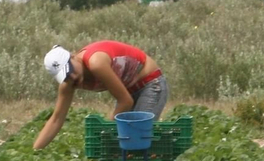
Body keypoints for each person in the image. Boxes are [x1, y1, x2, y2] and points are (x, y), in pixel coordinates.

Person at [32, 40, 168, 150]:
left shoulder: (96, 63)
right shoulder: (68, 84)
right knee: (124, 141)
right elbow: (56, 120)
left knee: (137, 137)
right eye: (65, 75)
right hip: (129, 89)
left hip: (150, 83)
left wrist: (106, 132)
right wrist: (35, 152)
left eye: (71, 69)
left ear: (73, 56)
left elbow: (125, 101)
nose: (72, 77)